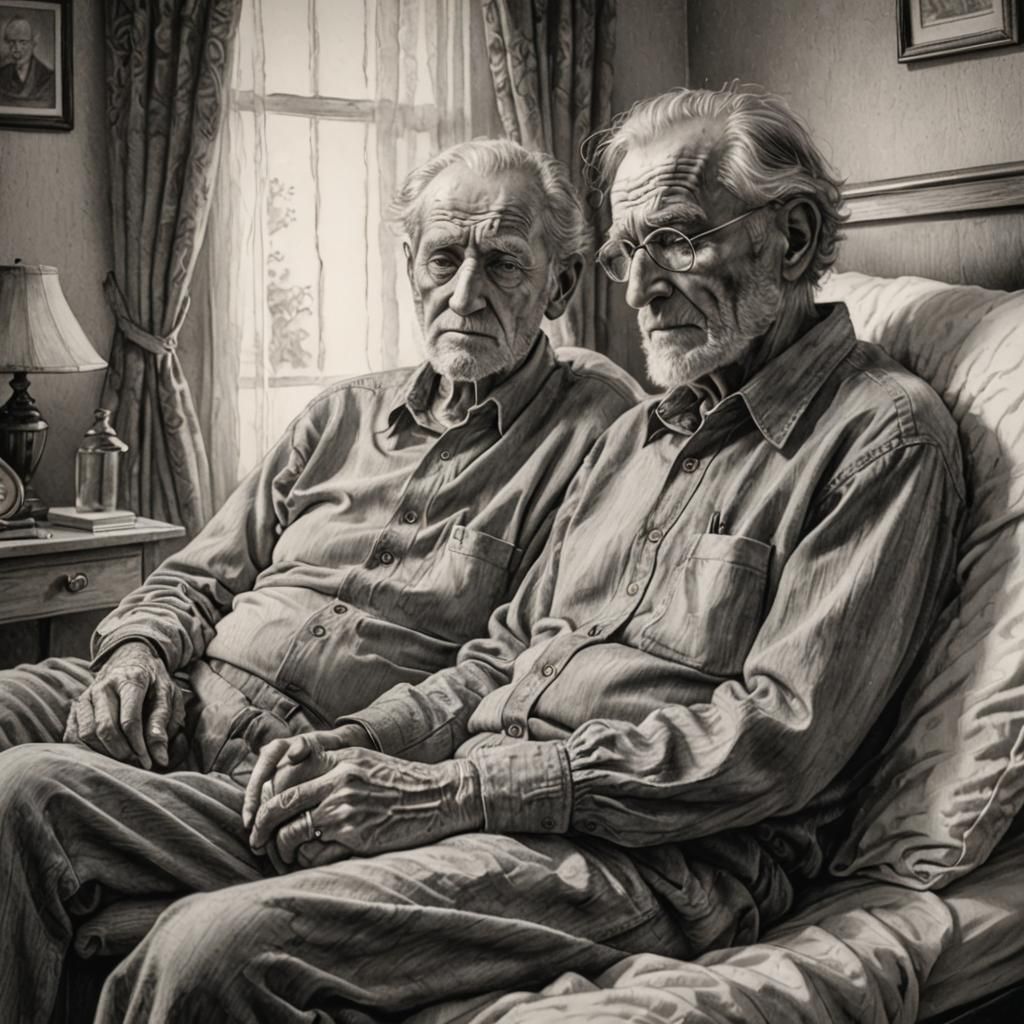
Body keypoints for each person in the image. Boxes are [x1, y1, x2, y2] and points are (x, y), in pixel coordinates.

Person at [0, 85, 964, 1023]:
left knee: (202, 950)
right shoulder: (641, 438)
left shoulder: (880, 438)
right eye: (630, 252)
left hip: (657, 851)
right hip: (481, 784)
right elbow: (505, 652)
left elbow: (778, 742)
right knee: (27, 794)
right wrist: (364, 744)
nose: (640, 289)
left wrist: (456, 790)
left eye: (674, 240)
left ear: (792, 239)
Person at [0, 17, 55, 107]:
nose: (17, 48)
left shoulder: (47, 76)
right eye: (12, 42)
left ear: (33, 43)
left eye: (23, 42)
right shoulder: (2, 73)